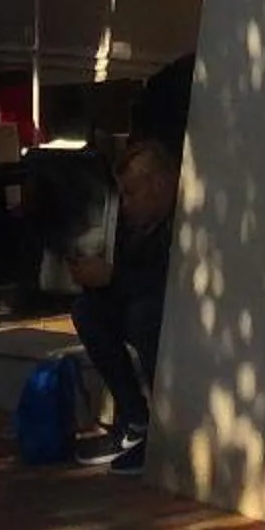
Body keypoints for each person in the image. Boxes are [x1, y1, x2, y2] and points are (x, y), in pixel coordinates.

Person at [68, 132, 179, 471]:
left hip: (170, 321)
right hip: (143, 309)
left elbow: (169, 287)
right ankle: (135, 418)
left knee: (145, 316)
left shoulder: (180, 223)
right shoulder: (137, 230)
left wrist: (112, 277)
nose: (126, 204)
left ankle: (164, 424)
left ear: (158, 186)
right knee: (88, 311)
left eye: (132, 193)